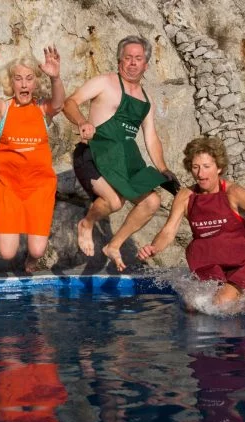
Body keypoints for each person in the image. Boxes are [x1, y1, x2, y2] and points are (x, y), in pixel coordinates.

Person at [138, 137, 245, 308]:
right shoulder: (185, 196)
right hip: (208, 263)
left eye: (206, 167)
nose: (200, 173)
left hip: (240, 262)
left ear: (219, 167)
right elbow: (169, 231)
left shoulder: (233, 193)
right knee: (192, 306)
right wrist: (154, 248)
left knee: (221, 304)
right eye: (195, 167)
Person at [62, 35, 180, 272]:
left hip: (124, 159)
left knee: (152, 201)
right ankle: (87, 224)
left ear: (146, 64)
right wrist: (82, 122)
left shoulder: (146, 101)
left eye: (138, 59)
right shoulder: (105, 82)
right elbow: (70, 102)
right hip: (94, 153)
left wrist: (163, 168)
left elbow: (151, 137)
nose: (133, 63)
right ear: (119, 61)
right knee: (113, 201)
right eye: (128, 58)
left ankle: (113, 245)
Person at [0, 43, 65, 273]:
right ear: (10, 83)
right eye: (18, 79)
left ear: (36, 82)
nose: (24, 84)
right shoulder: (3, 109)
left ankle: (32, 261)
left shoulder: (43, 110)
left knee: (36, 250)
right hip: (8, 188)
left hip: (38, 187)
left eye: (29, 78)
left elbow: (59, 103)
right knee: (7, 253)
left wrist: (56, 78)